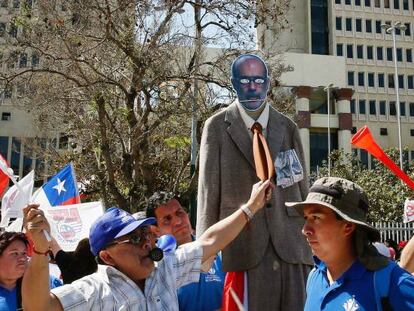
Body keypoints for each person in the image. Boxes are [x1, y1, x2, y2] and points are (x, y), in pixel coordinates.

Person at [21, 180, 273, 310]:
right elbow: (39, 307)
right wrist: (41, 251)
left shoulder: (165, 268)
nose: (146, 243)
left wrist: (251, 207)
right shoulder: (95, 291)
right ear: (108, 257)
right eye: (135, 239)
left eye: (145, 233)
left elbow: (210, 241)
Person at [197, 53, 312, 310]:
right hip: (242, 248)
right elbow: (208, 192)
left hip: (291, 246)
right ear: (234, 82)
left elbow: (300, 187)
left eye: (259, 80)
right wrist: (205, 251)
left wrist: (310, 235)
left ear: (268, 83)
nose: (252, 86)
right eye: (245, 80)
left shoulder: (287, 127)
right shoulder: (216, 127)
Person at [286, 176, 414, 310]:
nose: (305, 230)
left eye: (316, 218)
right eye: (306, 218)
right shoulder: (314, 278)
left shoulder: (392, 282)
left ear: (348, 226)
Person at [146, 191, 225, 311]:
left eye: (180, 213)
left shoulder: (217, 251)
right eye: (167, 219)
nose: (178, 221)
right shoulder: (157, 267)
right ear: (155, 230)